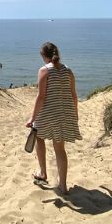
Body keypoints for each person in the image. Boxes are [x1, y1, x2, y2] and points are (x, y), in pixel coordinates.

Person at [26, 41, 81, 195]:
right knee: (60, 149)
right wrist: (75, 115)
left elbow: (41, 97)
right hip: (65, 113)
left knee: (39, 137)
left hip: (48, 113)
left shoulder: (44, 70)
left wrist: (32, 118)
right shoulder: (68, 71)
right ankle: (63, 186)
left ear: (44, 56)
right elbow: (74, 95)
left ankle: (43, 173)